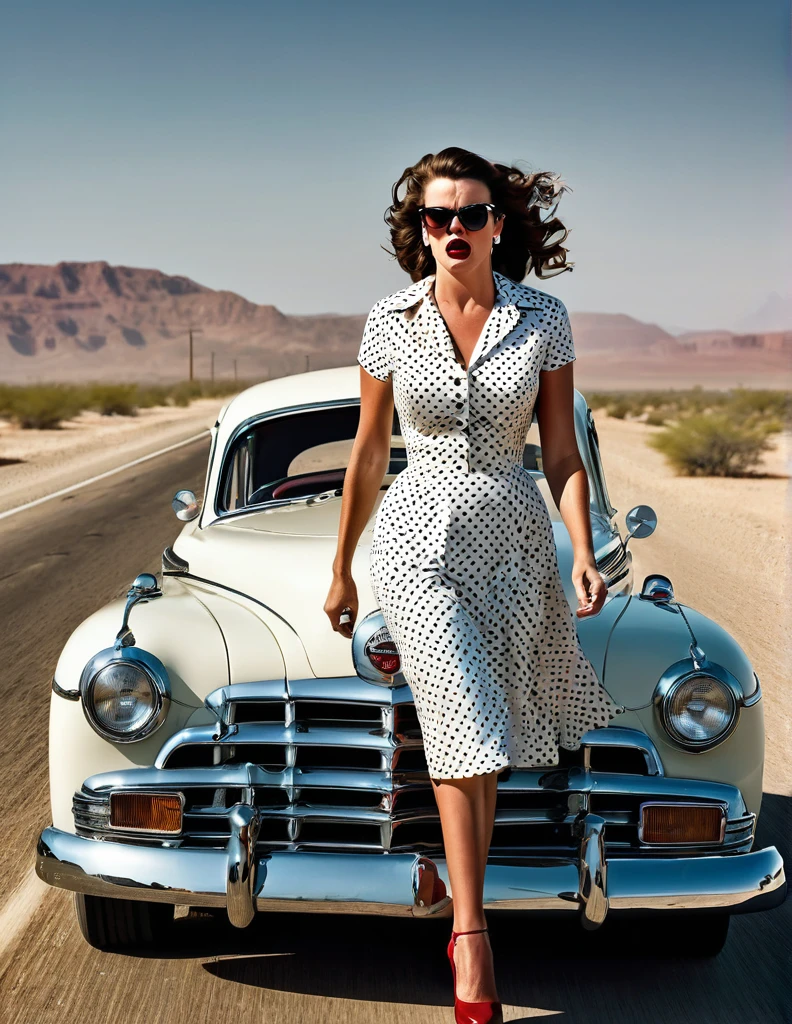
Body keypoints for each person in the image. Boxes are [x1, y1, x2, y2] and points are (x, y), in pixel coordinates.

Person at [324, 146, 621, 1024]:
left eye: (470, 214)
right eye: (435, 216)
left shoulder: (544, 318)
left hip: (516, 538)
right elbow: (371, 453)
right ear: (417, 228)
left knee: (483, 740)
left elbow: (561, 453)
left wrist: (581, 550)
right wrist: (341, 564)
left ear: (500, 223)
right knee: (465, 714)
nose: (452, 230)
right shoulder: (388, 320)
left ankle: (465, 912)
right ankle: (472, 930)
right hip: (415, 538)